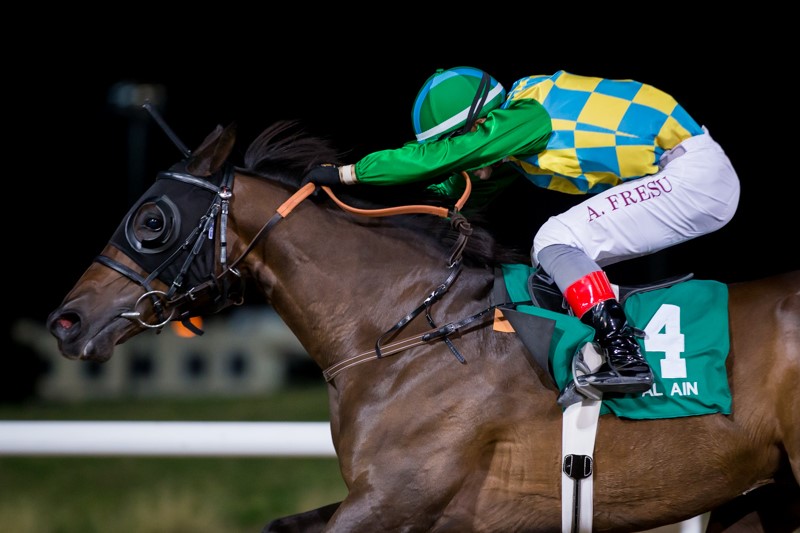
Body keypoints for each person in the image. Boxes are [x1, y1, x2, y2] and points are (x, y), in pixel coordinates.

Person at [302, 66, 740, 400]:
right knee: (554, 265)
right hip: (688, 174)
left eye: (464, 142)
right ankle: (603, 353)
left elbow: (443, 158)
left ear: (482, 124)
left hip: (693, 175)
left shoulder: (527, 116)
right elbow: (453, 190)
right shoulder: (520, 133)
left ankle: (623, 351)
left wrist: (349, 174)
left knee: (555, 239)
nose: (470, 160)